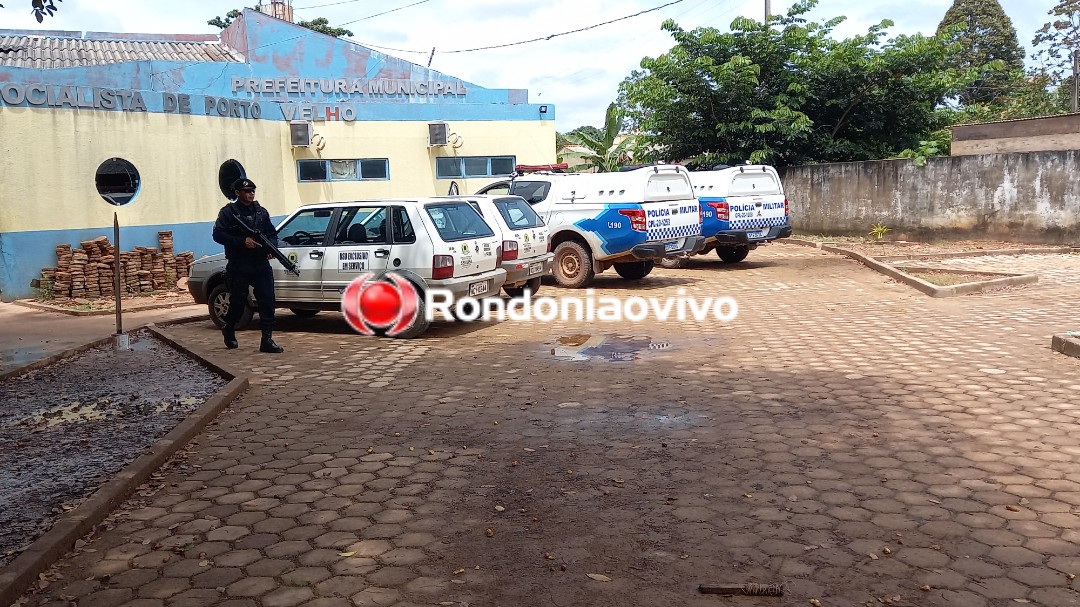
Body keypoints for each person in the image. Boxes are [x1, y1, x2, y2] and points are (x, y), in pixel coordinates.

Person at [212, 178, 284, 353]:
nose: (251, 194)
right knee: (238, 302)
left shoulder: (261, 212)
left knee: (267, 300)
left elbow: (272, 233)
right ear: (237, 193)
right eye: (246, 191)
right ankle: (229, 327)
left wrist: (271, 249)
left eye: (253, 191)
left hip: (260, 263)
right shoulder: (229, 213)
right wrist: (241, 241)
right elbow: (218, 235)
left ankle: (267, 339)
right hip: (239, 264)